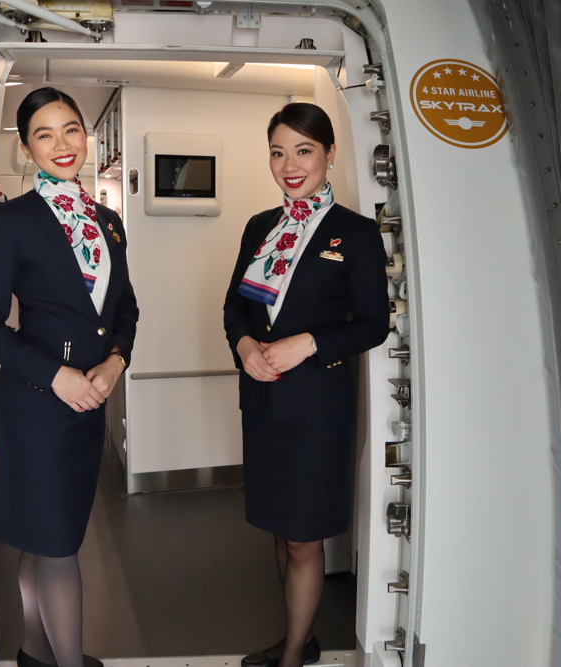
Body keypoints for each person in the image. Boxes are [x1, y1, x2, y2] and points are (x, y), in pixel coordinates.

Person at [0, 87, 139, 667]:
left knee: (46, 538)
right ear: (27, 149)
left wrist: (114, 362)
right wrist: (57, 376)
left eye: (70, 129)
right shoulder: (13, 221)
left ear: (86, 137)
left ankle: (33, 652)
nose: (62, 144)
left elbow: (125, 309)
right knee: (60, 546)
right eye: (44, 134)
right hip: (38, 409)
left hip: (89, 405)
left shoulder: (109, 222)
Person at [223, 103, 391, 667]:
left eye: (303, 151)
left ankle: (294, 654)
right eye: (278, 152)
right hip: (265, 403)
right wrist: (246, 347)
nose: (290, 165)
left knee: (303, 536)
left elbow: (373, 324)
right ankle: (297, 636)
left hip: (318, 411)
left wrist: (310, 342)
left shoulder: (356, 234)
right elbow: (234, 308)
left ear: (329, 154)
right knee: (279, 527)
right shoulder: (260, 228)